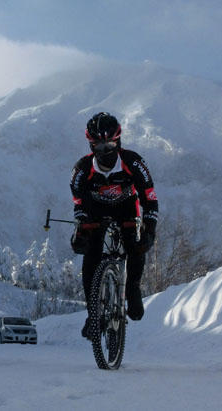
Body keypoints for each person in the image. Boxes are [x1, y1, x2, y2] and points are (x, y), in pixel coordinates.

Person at [69, 112, 158, 339]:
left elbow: (149, 197)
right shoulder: (82, 169)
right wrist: (81, 229)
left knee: (136, 244)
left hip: (126, 206)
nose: (104, 152)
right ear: (90, 145)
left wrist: (149, 228)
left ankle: (133, 287)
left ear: (118, 141)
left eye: (109, 145)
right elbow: (78, 201)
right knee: (90, 252)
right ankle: (93, 314)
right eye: (97, 147)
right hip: (95, 209)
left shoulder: (133, 162)